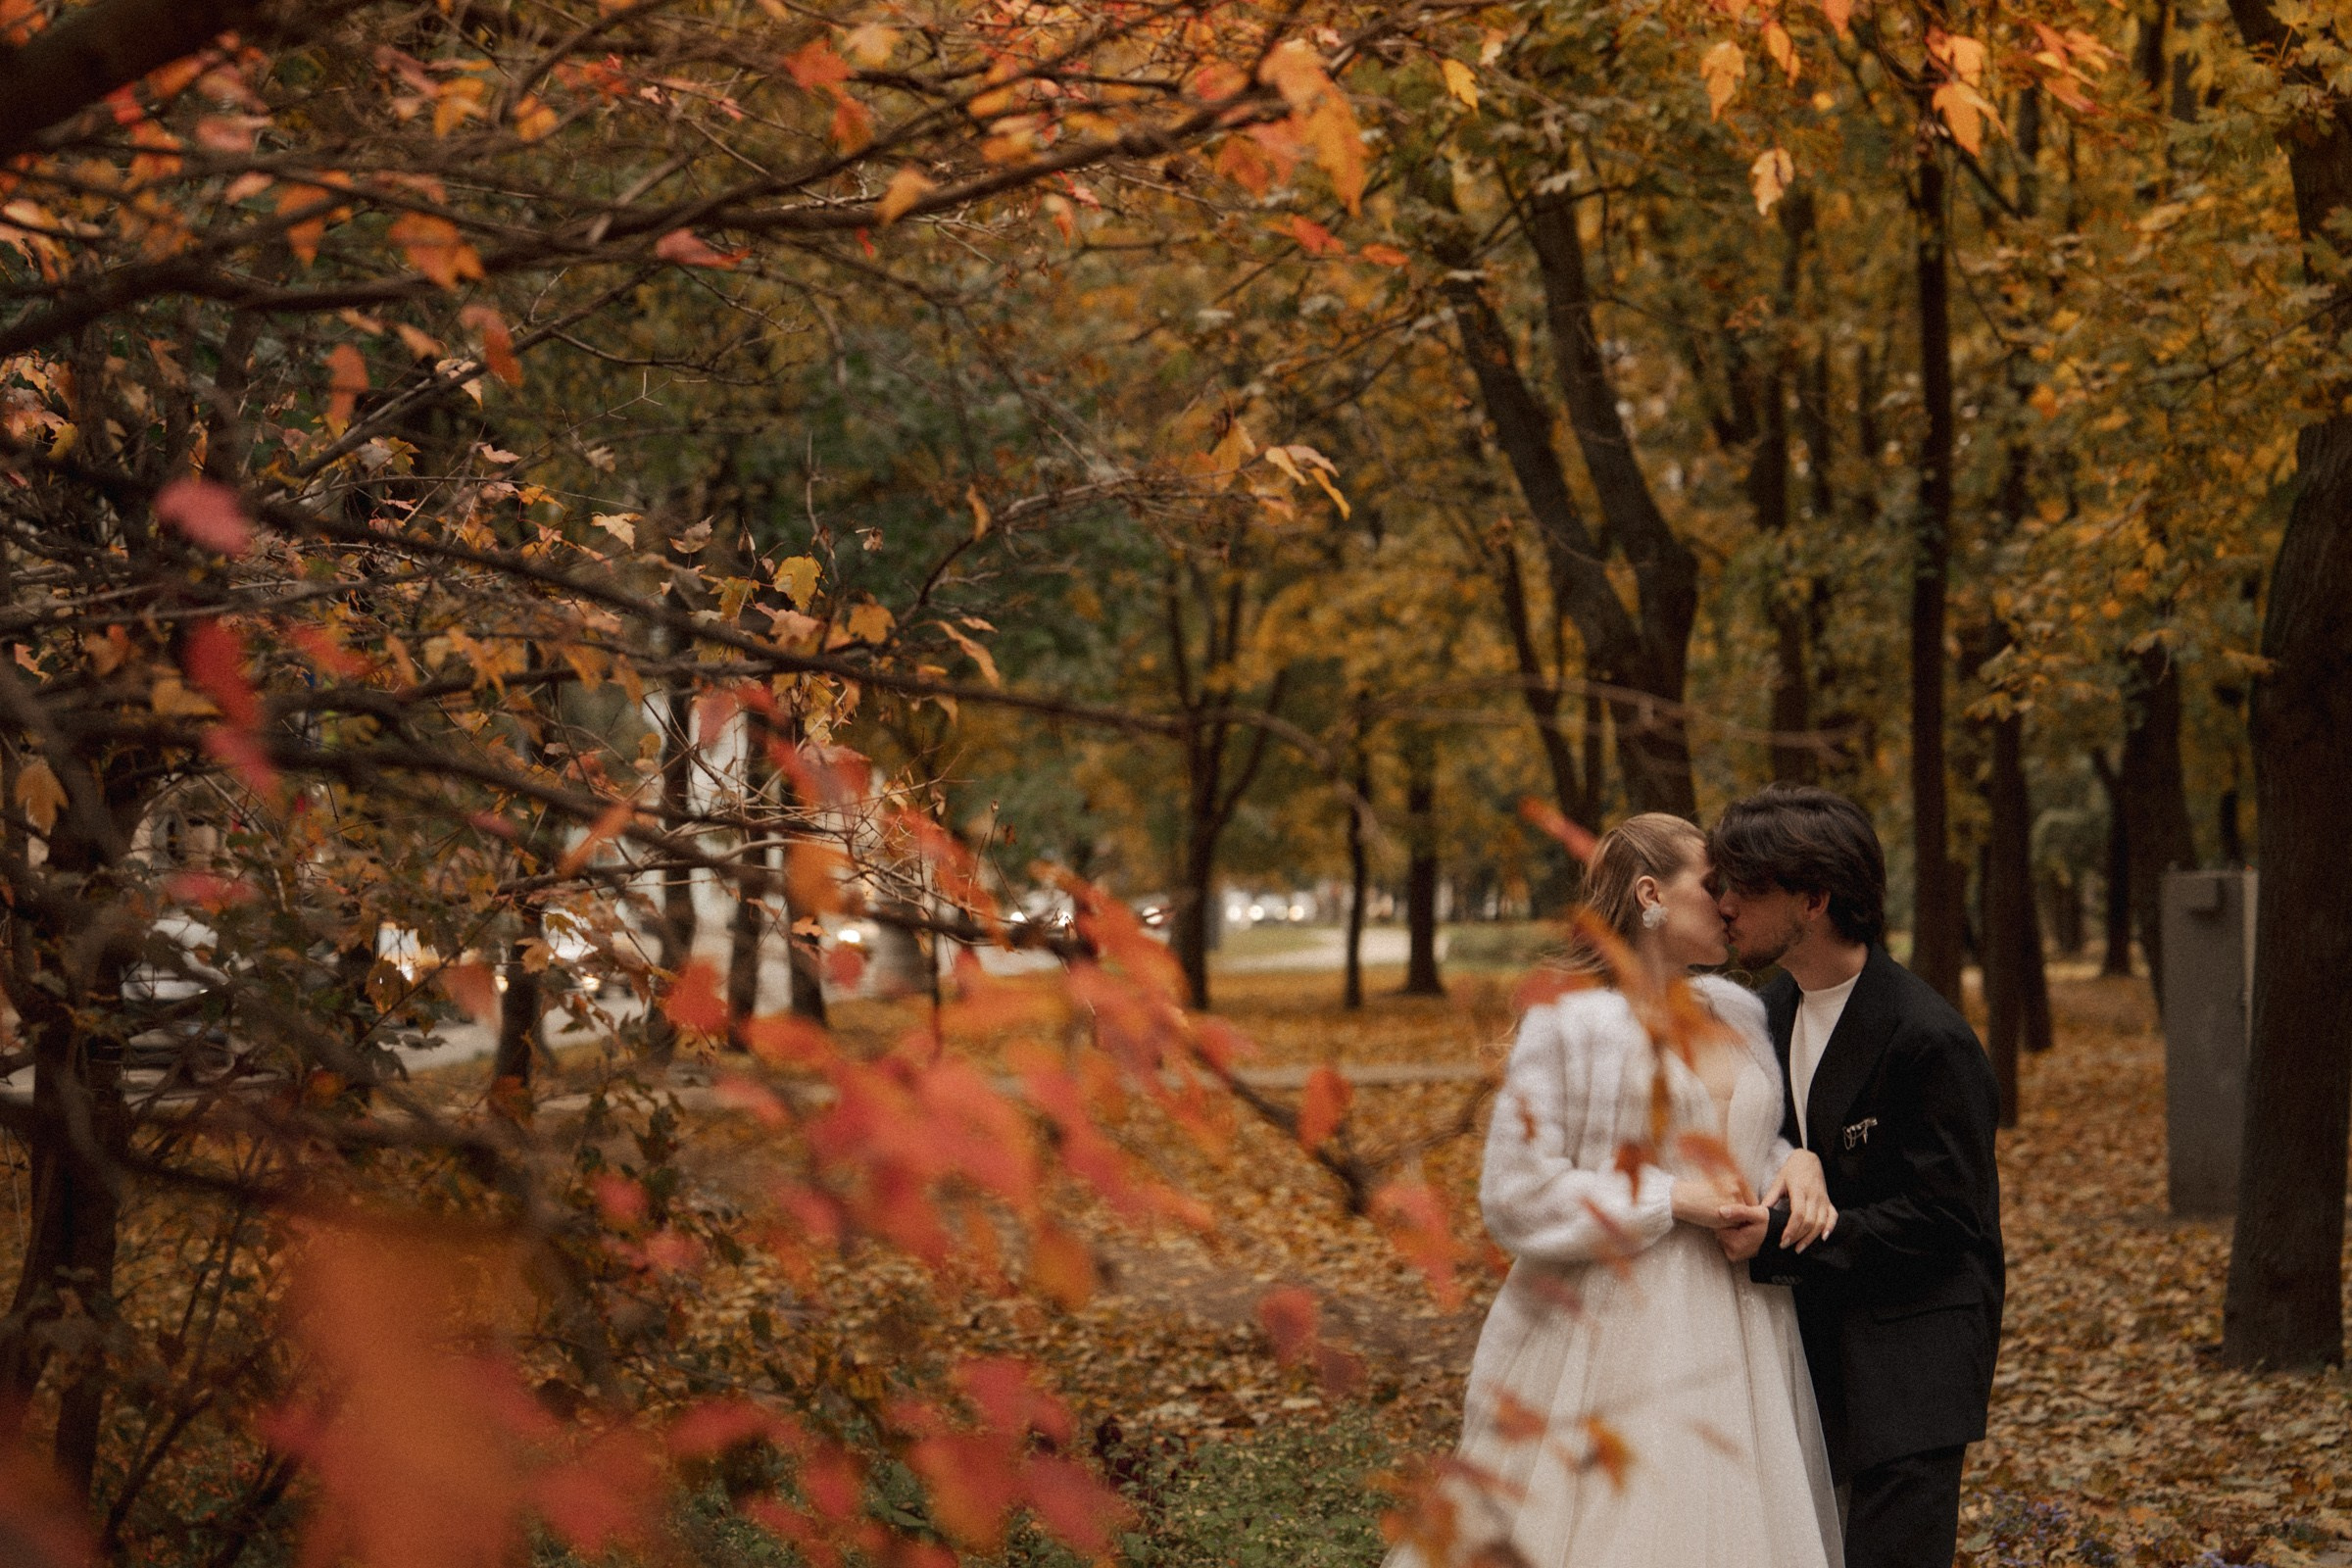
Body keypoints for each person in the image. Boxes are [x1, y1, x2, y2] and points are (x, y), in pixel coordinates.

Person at [1388, 812, 1843, 1568]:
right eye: (1713, 884)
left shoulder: (1738, 1010)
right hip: (1618, 1329)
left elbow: (1747, 1140)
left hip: (1748, 1326)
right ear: (1650, 895)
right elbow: (1517, 1193)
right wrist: (1671, 1199)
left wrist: (1798, 1165)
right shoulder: (1568, 1025)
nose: (1730, 902)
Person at [1708, 785, 2005, 1568]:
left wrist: (1786, 1236)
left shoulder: (1927, 1038)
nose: (1725, 905)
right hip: (1800, 1360)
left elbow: (1950, 1221)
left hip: (1911, 1369)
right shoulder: (1763, 1015)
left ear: (1814, 899)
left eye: (1747, 887)